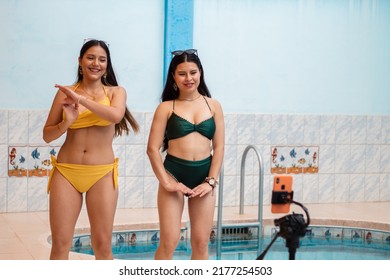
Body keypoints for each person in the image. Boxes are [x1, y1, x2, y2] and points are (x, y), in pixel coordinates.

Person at [43, 39, 139, 260]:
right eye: (91, 57)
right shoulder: (64, 93)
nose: (96, 63)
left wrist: (82, 99)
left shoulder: (116, 92)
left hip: (101, 173)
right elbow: (47, 135)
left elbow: (115, 115)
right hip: (66, 171)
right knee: (59, 244)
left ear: (107, 65)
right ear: (80, 61)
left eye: (102, 59)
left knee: (103, 245)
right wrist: (66, 123)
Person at [147, 49, 225, 260]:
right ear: (174, 76)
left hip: (203, 178)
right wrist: (167, 182)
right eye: (182, 73)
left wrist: (210, 182)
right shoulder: (166, 107)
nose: (188, 78)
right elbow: (152, 149)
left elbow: (219, 147)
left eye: (193, 72)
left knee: (201, 243)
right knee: (169, 241)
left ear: (200, 72)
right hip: (174, 174)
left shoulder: (214, 106)